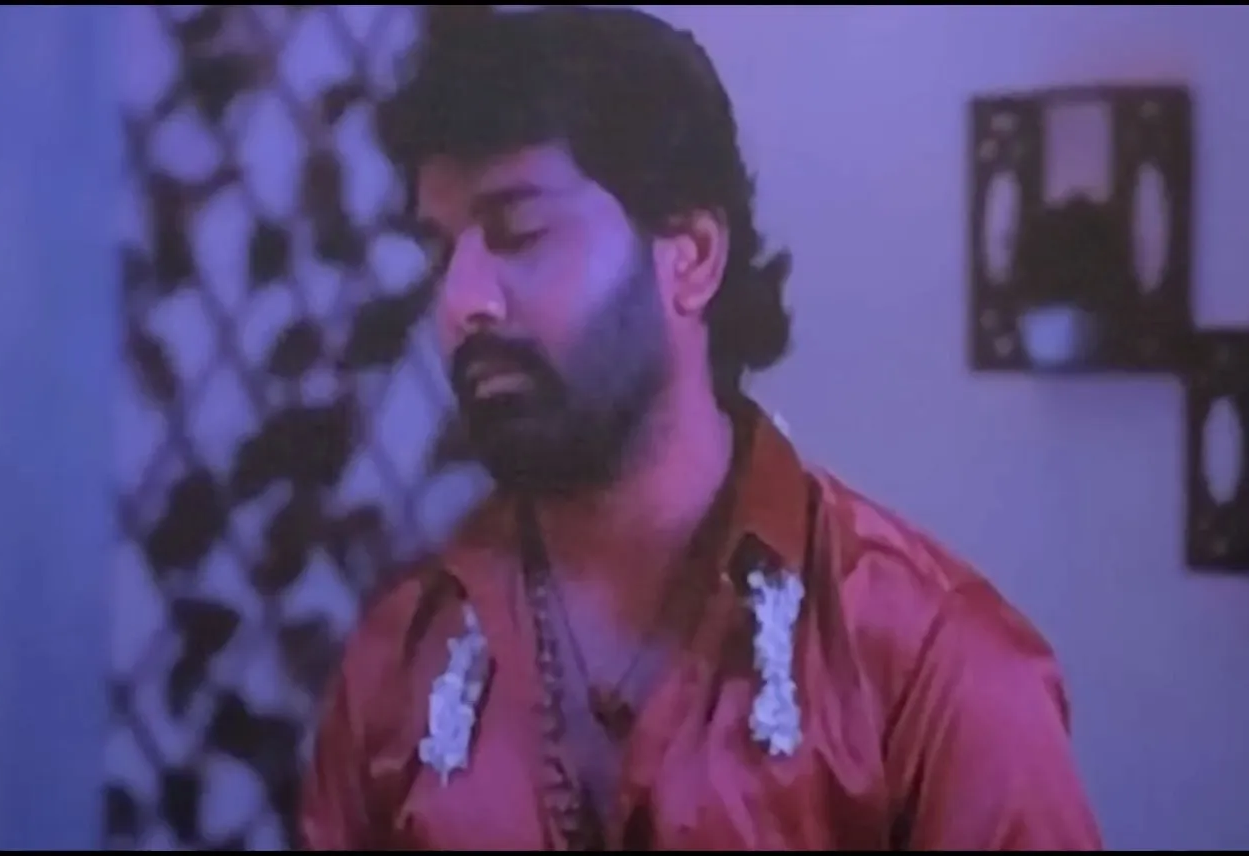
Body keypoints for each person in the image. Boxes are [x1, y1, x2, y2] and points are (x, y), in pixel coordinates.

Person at [300, 6, 1103, 850]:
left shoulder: (928, 667)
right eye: (440, 253)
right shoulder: (398, 666)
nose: (462, 301)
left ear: (689, 257)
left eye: (521, 233)